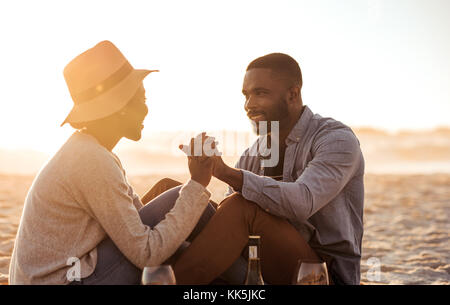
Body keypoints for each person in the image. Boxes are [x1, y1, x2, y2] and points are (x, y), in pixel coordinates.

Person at [8, 41, 217, 284]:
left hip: (69, 272)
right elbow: (148, 255)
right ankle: (252, 276)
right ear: (119, 108)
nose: (147, 109)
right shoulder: (91, 161)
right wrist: (199, 181)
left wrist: (192, 192)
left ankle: (245, 275)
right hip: (65, 280)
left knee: (181, 211)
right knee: (183, 200)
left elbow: (137, 224)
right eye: (141, 99)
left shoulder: (89, 150)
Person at [171, 53, 365, 285]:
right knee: (172, 193)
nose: (249, 105)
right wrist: (201, 174)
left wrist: (225, 173)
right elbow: (226, 218)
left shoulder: (336, 140)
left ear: (292, 94)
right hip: (260, 268)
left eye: (260, 93)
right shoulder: (255, 152)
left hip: (319, 275)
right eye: (246, 95)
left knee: (242, 208)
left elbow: (302, 202)